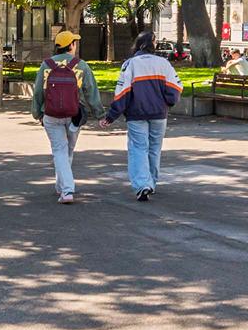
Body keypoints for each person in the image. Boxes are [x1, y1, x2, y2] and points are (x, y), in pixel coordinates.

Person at [101, 30, 180, 201]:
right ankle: (151, 182)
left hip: (136, 115)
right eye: (156, 40)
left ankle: (142, 185)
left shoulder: (130, 64)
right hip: (159, 114)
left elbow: (122, 92)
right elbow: (175, 89)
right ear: (152, 43)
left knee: (138, 149)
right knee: (154, 148)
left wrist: (111, 116)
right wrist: (168, 103)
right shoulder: (163, 63)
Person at [31, 30, 101, 204]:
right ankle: (67, 189)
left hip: (51, 115)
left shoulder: (46, 65)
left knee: (59, 151)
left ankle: (61, 187)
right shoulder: (81, 65)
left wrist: (38, 113)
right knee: (67, 151)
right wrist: (100, 114)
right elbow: (91, 92)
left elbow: (38, 91)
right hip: (74, 115)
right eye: (74, 43)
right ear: (70, 46)